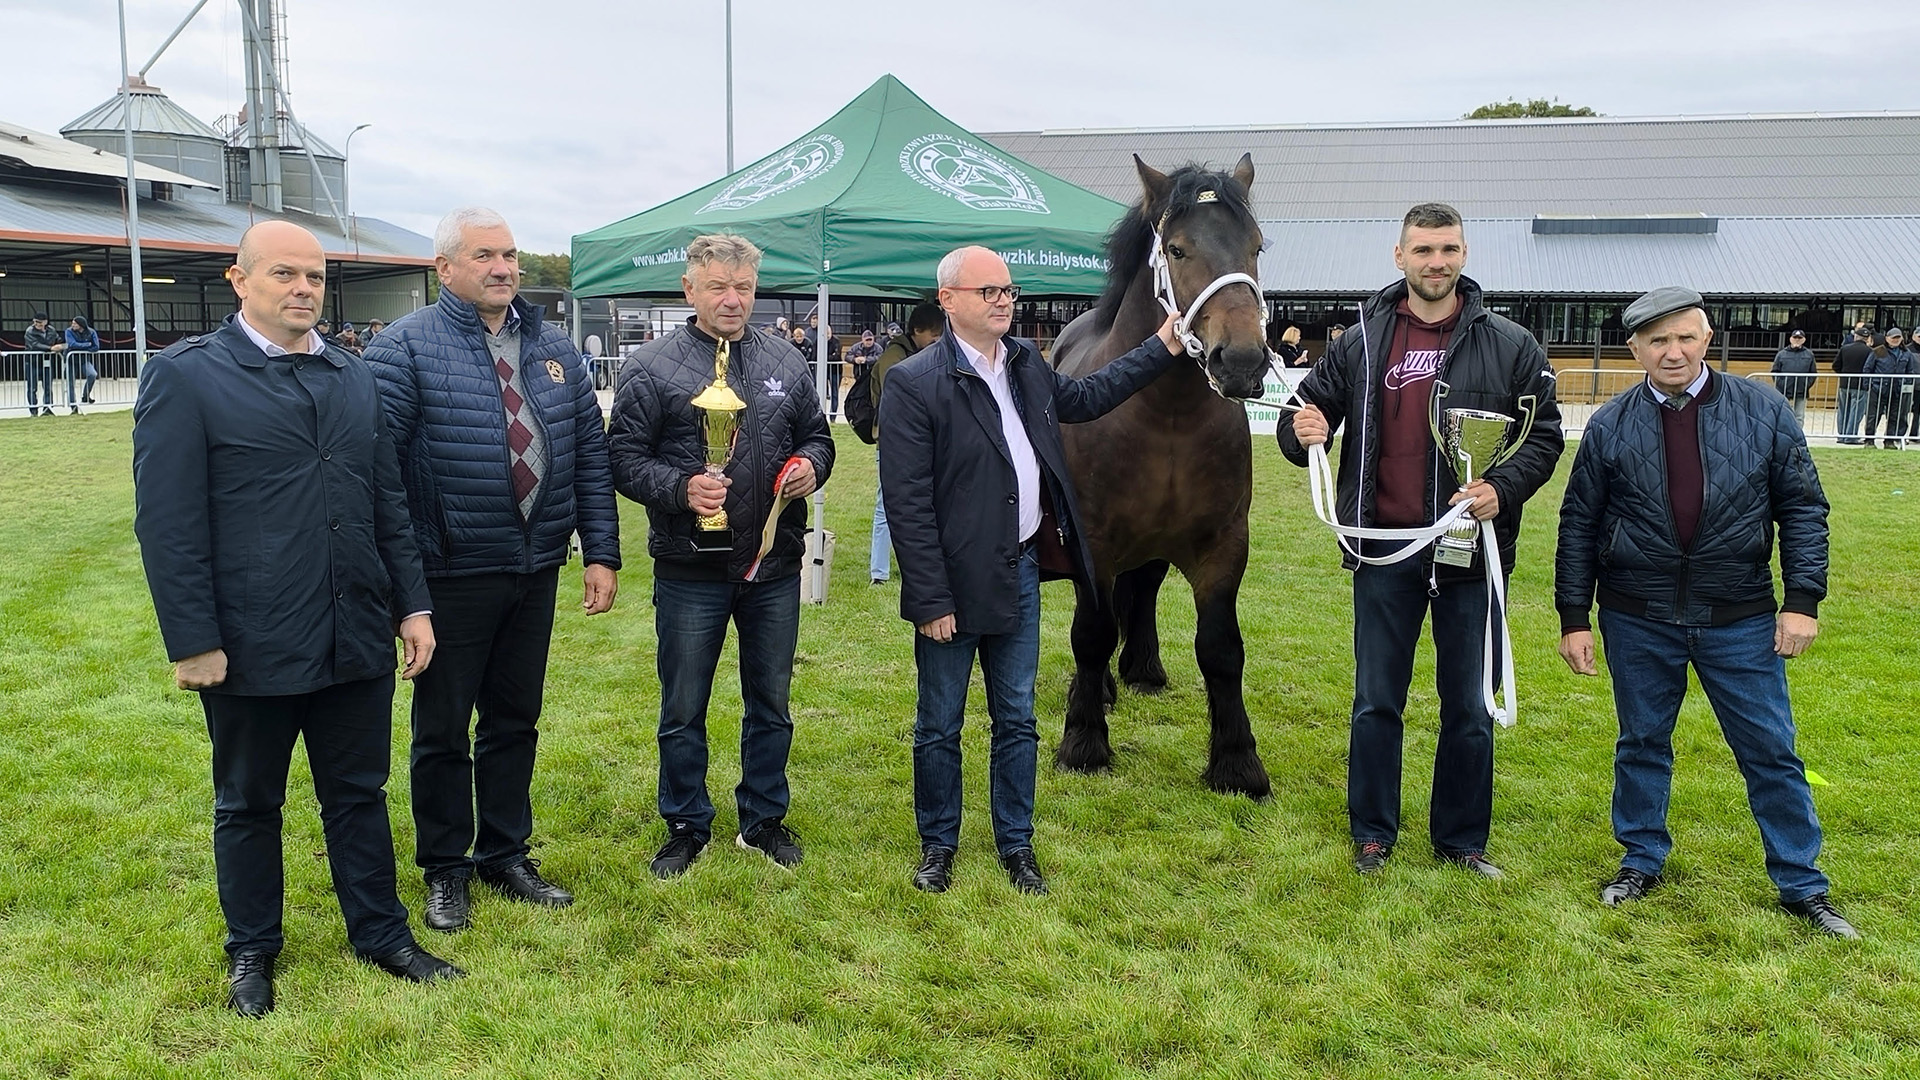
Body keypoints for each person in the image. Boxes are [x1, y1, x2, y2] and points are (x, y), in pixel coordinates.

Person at [132, 221, 464, 1018]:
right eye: (284, 273)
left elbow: (386, 501)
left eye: (314, 276)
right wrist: (194, 640)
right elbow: (168, 522)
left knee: (358, 792)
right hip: (249, 642)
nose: (303, 288)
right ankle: (253, 950)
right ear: (239, 280)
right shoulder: (188, 378)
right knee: (248, 801)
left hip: (353, 631)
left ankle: (381, 934)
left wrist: (411, 605)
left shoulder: (352, 377)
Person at [879, 246, 1187, 896]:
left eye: (1008, 290)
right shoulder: (915, 384)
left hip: (1018, 570)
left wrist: (1161, 345)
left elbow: (1089, 394)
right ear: (949, 300)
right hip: (953, 584)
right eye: (987, 289)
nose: (1002, 299)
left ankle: (1015, 846)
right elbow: (906, 505)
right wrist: (931, 599)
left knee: (1016, 717)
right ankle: (939, 845)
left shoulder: (1024, 365)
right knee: (940, 723)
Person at [1554, 286, 1857, 938]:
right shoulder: (1609, 424)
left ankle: (1803, 885)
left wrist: (1801, 601)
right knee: (1641, 744)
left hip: (1740, 616)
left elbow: (1803, 508)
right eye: (1658, 341)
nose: (1673, 352)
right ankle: (1641, 859)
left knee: (1771, 752)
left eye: (1685, 337)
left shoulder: (1763, 410)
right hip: (1638, 617)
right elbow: (1579, 524)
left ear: (1707, 338)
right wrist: (1574, 616)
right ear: (1635, 348)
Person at [1274, 202, 1564, 879]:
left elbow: (1545, 434)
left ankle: (1461, 841)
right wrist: (1302, 433)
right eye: (1424, 250)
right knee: (1377, 699)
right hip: (1382, 551)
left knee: (1468, 706)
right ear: (1399, 256)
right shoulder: (1363, 341)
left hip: (1467, 554)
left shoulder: (1509, 344)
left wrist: (1504, 487)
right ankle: (1373, 834)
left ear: (1464, 255)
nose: (1438, 262)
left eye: (1449, 249)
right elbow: (1303, 415)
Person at [365, 207, 621, 932]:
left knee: (515, 719)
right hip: (451, 572)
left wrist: (600, 549)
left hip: (534, 567)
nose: (504, 267)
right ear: (445, 268)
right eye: (485, 255)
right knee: (443, 728)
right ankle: (446, 867)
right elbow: (382, 478)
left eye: (509, 254)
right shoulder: (405, 348)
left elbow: (589, 459)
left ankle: (505, 852)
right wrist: (405, 589)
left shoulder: (555, 350)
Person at [607, 233, 834, 879]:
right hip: (690, 569)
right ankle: (685, 823)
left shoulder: (786, 362)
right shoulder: (652, 367)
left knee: (772, 700)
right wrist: (681, 489)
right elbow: (621, 458)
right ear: (690, 290)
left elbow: (818, 437)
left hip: (772, 565)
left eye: (743, 288)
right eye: (718, 287)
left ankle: (763, 819)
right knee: (683, 706)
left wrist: (810, 468)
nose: (733, 299)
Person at [867, 303, 945, 585]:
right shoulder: (893, 358)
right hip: (893, 443)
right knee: (886, 507)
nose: (938, 344)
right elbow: (897, 403)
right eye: (933, 338)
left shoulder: (917, 354)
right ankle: (879, 572)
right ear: (916, 332)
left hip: (924, 440)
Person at [1863, 327, 1914, 449]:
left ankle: (1889, 441)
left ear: (1902, 338)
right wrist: (1868, 386)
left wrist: (1905, 384)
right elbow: (1867, 369)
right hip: (1878, 388)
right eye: (1893, 338)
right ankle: (1869, 440)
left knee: (1894, 417)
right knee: (1873, 416)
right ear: (1887, 338)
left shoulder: (1906, 353)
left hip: (1896, 390)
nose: (1896, 340)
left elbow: (1910, 371)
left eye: (1898, 337)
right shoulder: (1879, 351)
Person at [1769, 328, 1817, 427]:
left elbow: (1813, 373)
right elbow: (1775, 371)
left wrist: (1805, 385)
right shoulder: (1782, 354)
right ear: (1790, 339)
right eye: (1795, 338)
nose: (1797, 340)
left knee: (1799, 416)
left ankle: (1797, 437)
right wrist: (1782, 384)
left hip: (1801, 390)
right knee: (1783, 414)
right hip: (1783, 391)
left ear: (1804, 340)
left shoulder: (1809, 354)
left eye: (1800, 338)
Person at [1832, 326, 1872, 443]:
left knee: (1843, 410)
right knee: (1856, 411)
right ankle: (1851, 435)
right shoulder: (1870, 351)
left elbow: (1835, 366)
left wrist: (1843, 373)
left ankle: (1842, 435)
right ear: (1867, 338)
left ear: (1855, 336)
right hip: (1860, 384)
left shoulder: (1845, 348)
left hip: (1844, 383)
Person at [22, 311, 61, 416]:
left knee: (48, 386)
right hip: (32, 362)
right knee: (32, 387)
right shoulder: (30, 331)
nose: (36, 324)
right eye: (35, 321)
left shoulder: (51, 330)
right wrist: (51, 348)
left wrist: (60, 346)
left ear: (45, 322)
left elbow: (57, 339)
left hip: (47, 361)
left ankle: (47, 408)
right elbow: (34, 345)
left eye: (39, 322)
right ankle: (33, 410)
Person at [64, 316, 101, 411]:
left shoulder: (91, 332)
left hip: (84, 359)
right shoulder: (69, 331)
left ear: (81, 325)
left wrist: (81, 347)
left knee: (92, 374)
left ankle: (86, 396)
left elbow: (96, 347)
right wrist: (87, 345)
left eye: (75, 323)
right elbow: (71, 344)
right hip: (71, 359)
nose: (72, 325)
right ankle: (73, 405)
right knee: (71, 382)